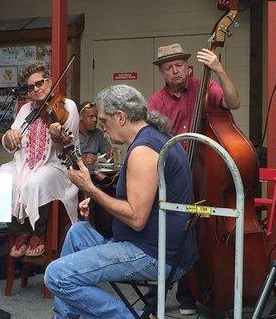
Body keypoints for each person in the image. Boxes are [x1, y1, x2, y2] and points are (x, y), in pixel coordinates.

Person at [44, 84, 197, 318]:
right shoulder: (156, 137)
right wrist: (98, 201)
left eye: (104, 121)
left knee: (56, 275)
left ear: (121, 117)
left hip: (153, 254)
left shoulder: (143, 150)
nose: (102, 128)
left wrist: (90, 190)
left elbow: (136, 218)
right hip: (153, 243)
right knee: (77, 232)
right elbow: (144, 198)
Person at [148, 43, 240, 315]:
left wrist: (219, 69)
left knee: (199, 235)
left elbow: (233, 102)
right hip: (174, 173)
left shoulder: (204, 86)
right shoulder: (155, 102)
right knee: (173, 232)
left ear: (188, 66)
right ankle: (161, 297)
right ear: (163, 73)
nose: (176, 70)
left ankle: (191, 294)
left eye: (179, 65)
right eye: (169, 67)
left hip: (205, 172)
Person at [0, 61, 79, 258]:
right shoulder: (26, 109)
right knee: (3, 177)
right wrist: (9, 137)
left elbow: (67, 149)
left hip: (56, 165)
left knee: (37, 182)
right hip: (25, 164)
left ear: (50, 81)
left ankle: (38, 232)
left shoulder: (67, 106)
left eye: (40, 83)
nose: (36, 89)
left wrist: (56, 136)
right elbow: (13, 143)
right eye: (30, 87)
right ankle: (20, 232)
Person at [78, 100, 113, 170]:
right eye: (91, 116)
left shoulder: (98, 134)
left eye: (96, 116)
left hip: (91, 175)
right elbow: (62, 159)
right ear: (80, 117)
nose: (95, 119)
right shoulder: (71, 133)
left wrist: (112, 154)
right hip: (71, 175)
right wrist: (82, 161)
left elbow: (109, 155)